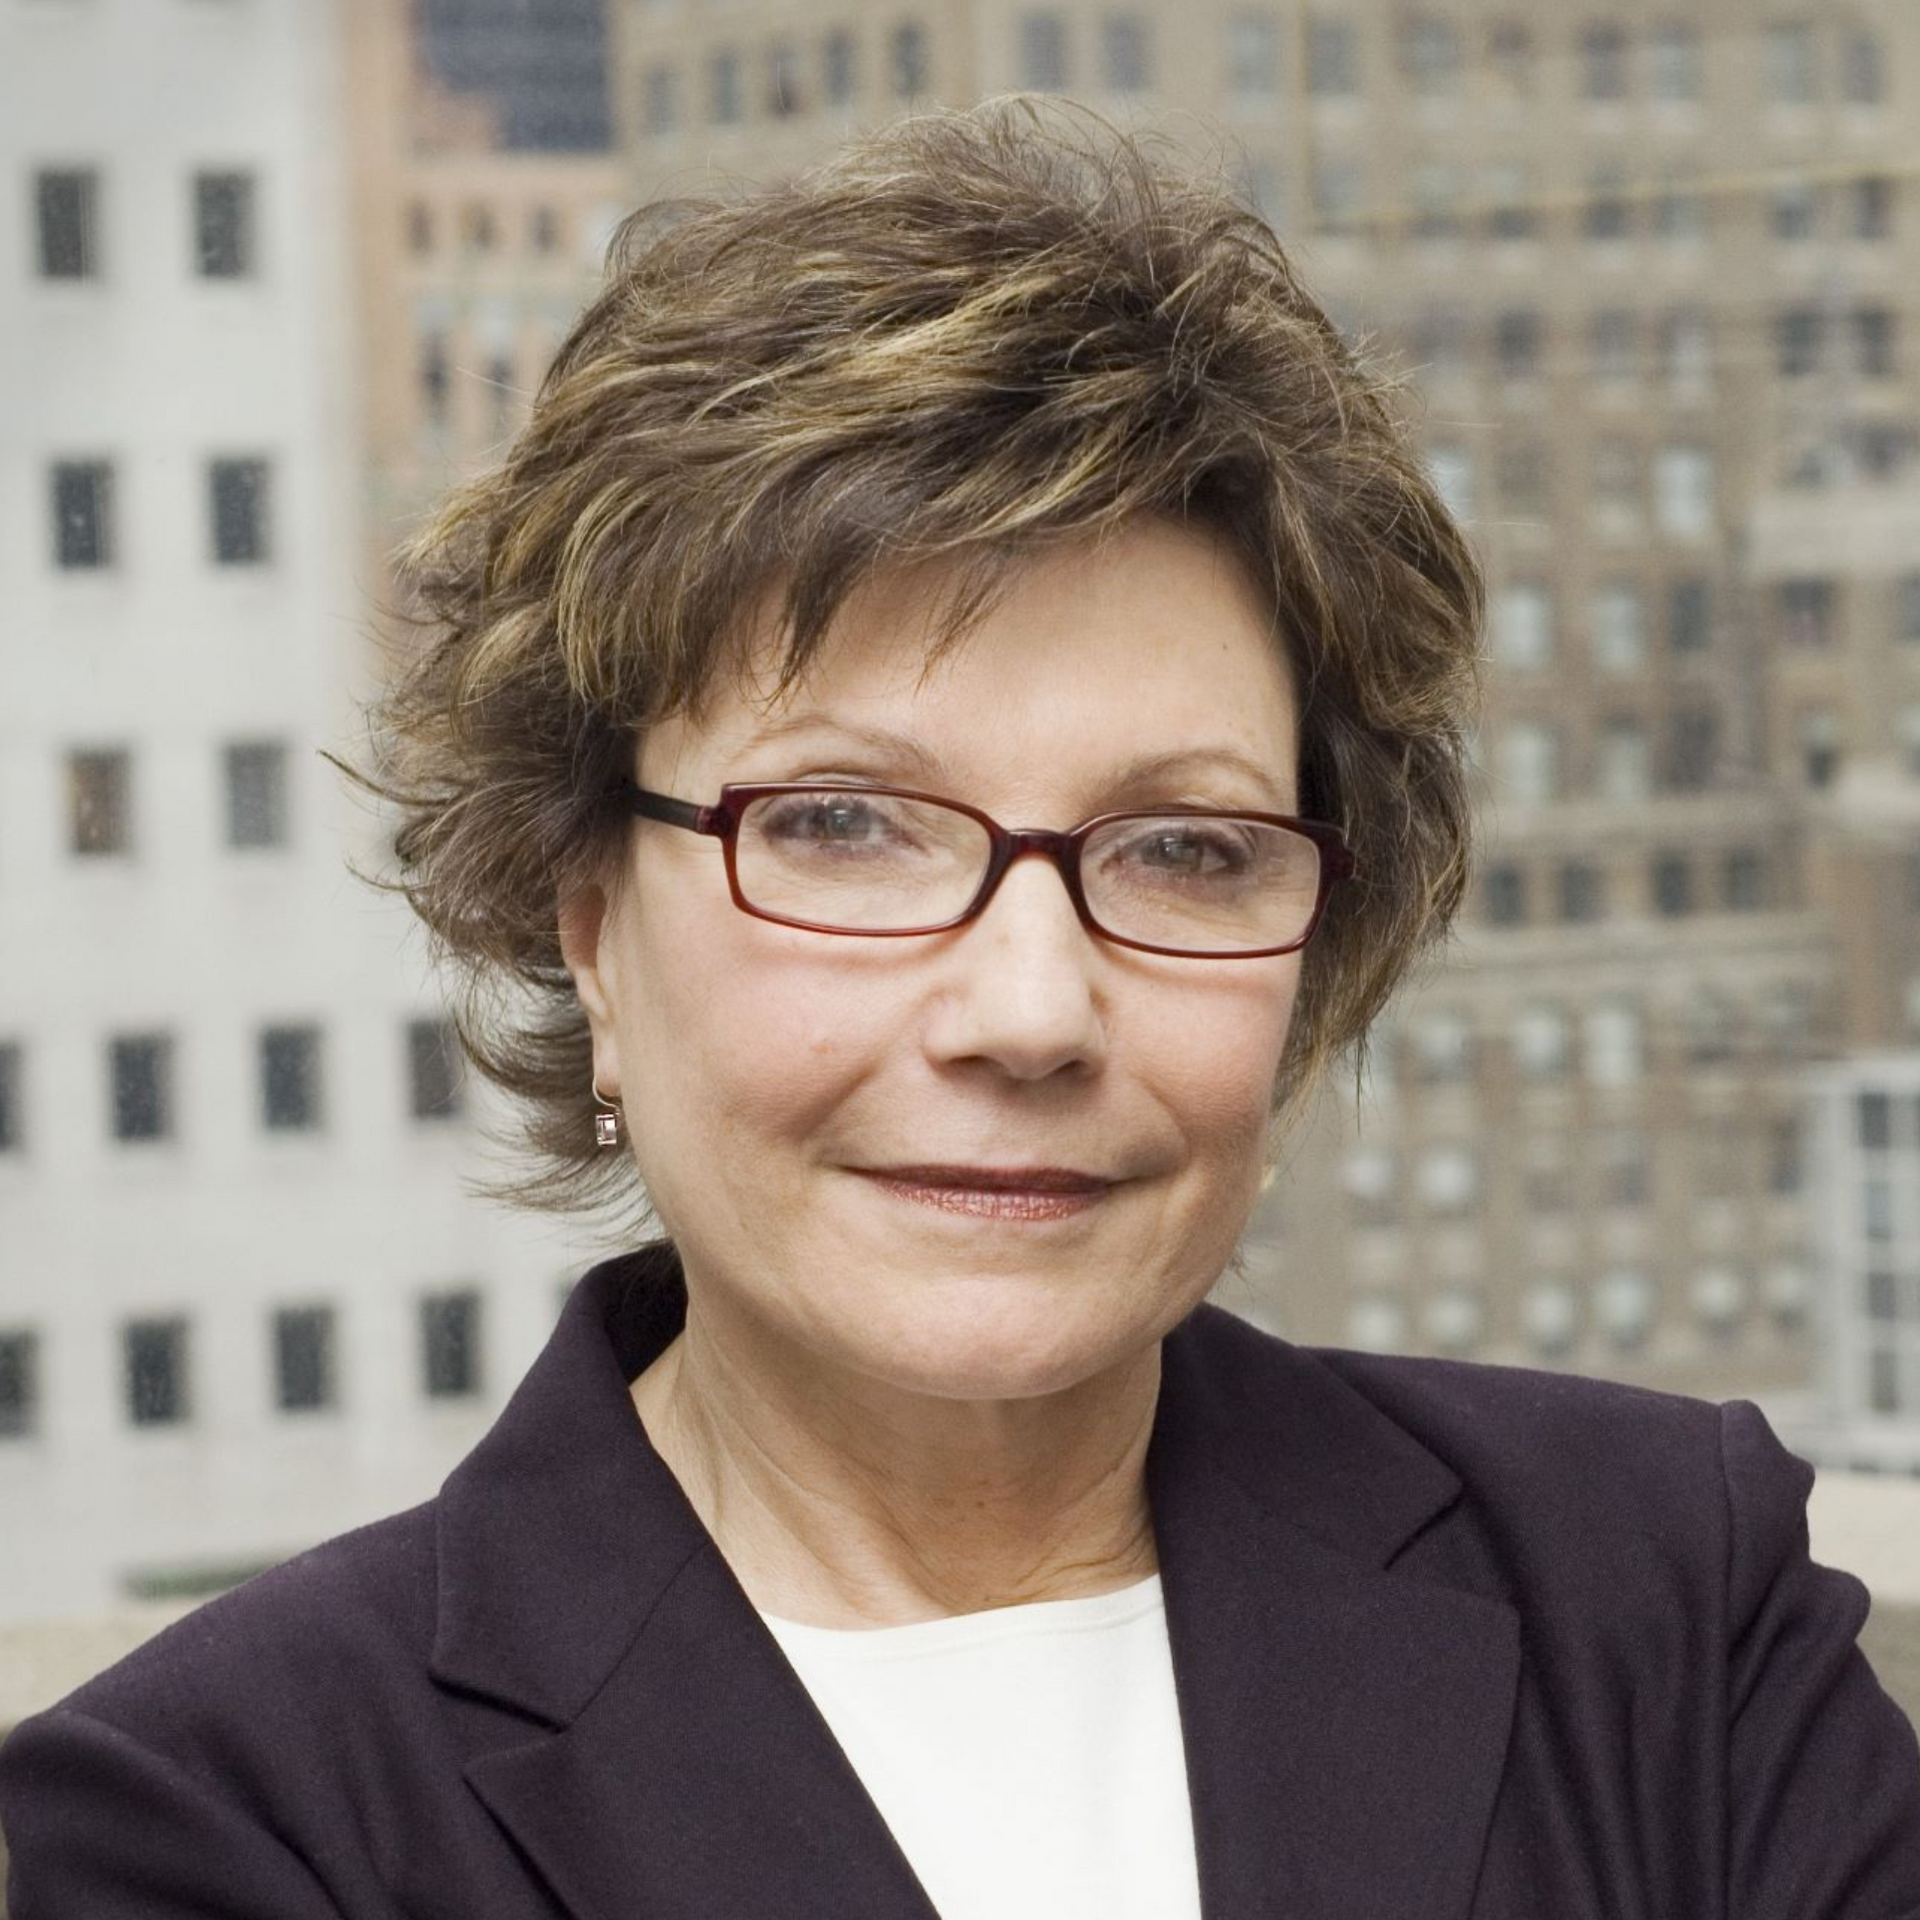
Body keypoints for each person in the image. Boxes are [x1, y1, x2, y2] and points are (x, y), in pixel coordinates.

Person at [3, 99, 1918, 1920]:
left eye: (1184, 850)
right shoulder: (224, 1818)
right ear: (587, 924)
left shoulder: (1660, 1590)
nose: (1030, 1009)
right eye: (842, 825)